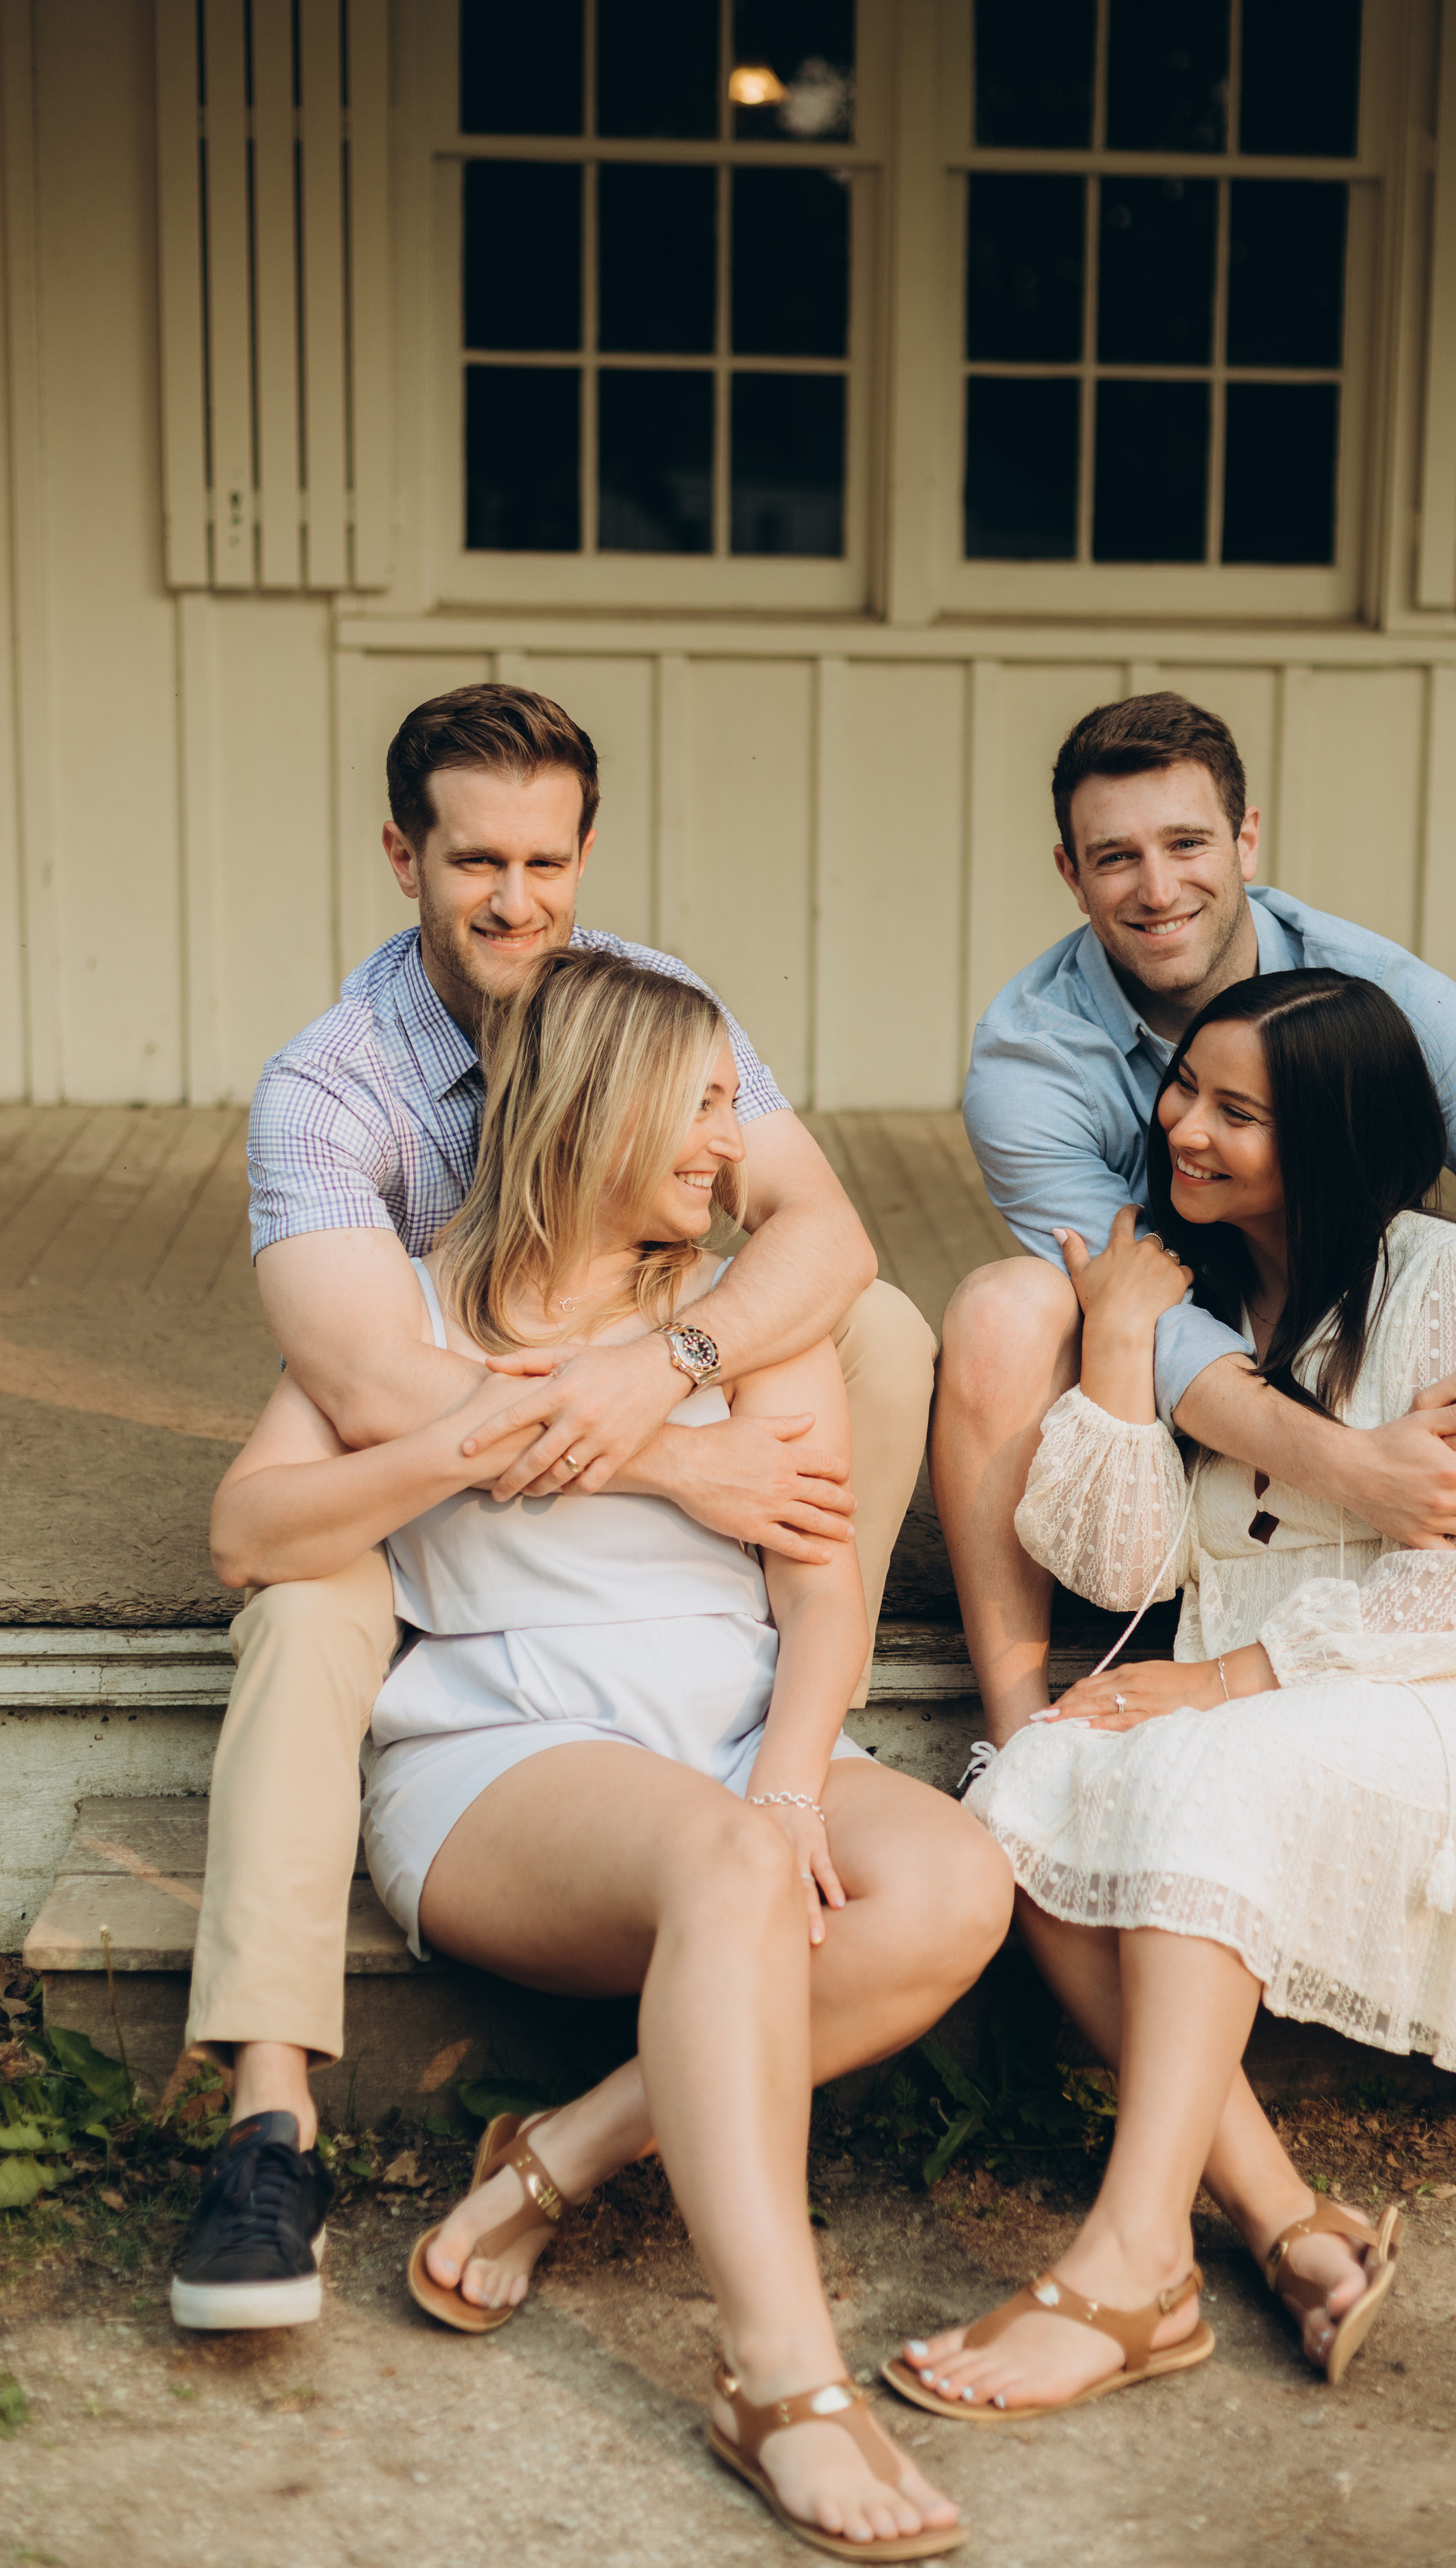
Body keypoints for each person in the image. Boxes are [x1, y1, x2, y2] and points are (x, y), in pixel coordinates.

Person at [205, 949, 1006, 2554]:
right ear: (596, 1110)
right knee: (723, 1861)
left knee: (952, 1884)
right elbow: (247, 1530)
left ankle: (559, 2157)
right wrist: (465, 1439)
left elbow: (824, 1597)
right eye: (703, 1108)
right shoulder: (411, 1317)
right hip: (506, 1757)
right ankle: (781, 2379)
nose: (735, 1144)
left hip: (719, 1738)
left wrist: (789, 1779)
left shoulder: (733, 1324)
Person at [171, 684, 938, 2333]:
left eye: (546, 859)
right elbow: (384, 1389)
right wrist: (680, 1455)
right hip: (440, 1445)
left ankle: (809, 1668)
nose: (514, 900)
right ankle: (268, 2114)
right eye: (474, 863)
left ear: (584, 852)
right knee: (304, 1610)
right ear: (404, 856)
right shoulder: (330, 1088)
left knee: (872, 1328)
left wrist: (679, 1366)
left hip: (630, 1371)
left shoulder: (654, 1012)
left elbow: (823, 1232)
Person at [888, 970, 1456, 2425]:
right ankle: (1274, 2220)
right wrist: (1120, 1346)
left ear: (1325, 1133)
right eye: (1183, 1087)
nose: (1182, 1126)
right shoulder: (1184, 1280)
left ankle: (1126, 2263)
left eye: (1235, 1112)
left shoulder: (1454, 1289)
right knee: (1030, 1785)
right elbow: (1123, 1566)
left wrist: (1224, 1678)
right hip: (1289, 1690)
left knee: (1210, 1766)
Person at [936, 690, 1456, 1898]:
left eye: (1187, 844)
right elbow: (1147, 1320)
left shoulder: (1375, 987)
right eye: (1115, 858)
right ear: (1071, 876)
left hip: (1361, 1340)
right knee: (1003, 1309)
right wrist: (1355, 1471)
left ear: (1246, 841)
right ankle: (1019, 1741)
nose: (1157, 887)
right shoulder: (1032, 1058)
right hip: (1181, 1375)